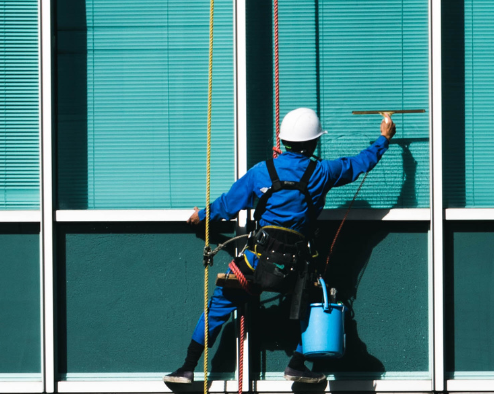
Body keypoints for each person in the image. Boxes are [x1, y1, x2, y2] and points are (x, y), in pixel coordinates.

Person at [164, 107, 396, 386]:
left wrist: (200, 215)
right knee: (314, 304)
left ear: (283, 141)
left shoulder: (261, 172)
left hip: (255, 261)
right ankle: (297, 364)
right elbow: (360, 163)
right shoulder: (322, 172)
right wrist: (384, 138)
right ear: (313, 142)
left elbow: (227, 205)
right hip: (296, 267)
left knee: (216, 309)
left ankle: (187, 368)